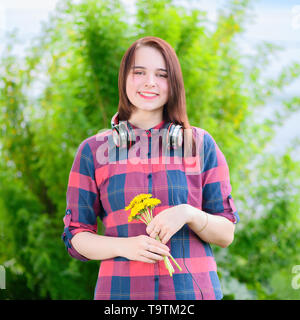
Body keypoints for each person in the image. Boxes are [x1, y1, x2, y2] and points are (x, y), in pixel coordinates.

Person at [62, 36, 240, 300]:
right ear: (124, 78)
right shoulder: (92, 151)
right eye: (139, 72)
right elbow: (76, 236)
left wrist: (188, 213)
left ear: (174, 84)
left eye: (161, 75)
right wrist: (127, 247)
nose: (150, 82)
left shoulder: (201, 145)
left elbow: (225, 233)